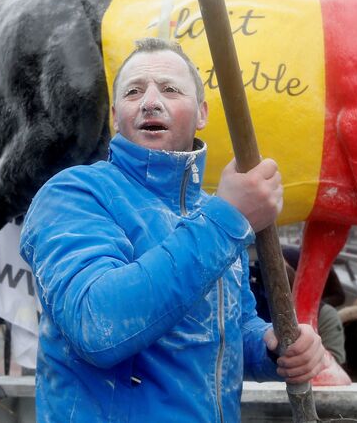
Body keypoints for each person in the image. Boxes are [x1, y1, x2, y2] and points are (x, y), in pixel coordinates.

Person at [19, 38, 326, 422]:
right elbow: (97, 325)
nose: (150, 101)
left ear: (201, 113)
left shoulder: (211, 212)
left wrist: (271, 346)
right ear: (116, 116)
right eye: (134, 91)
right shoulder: (74, 194)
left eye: (169, 89)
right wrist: (229, 218)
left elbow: (230, 326)